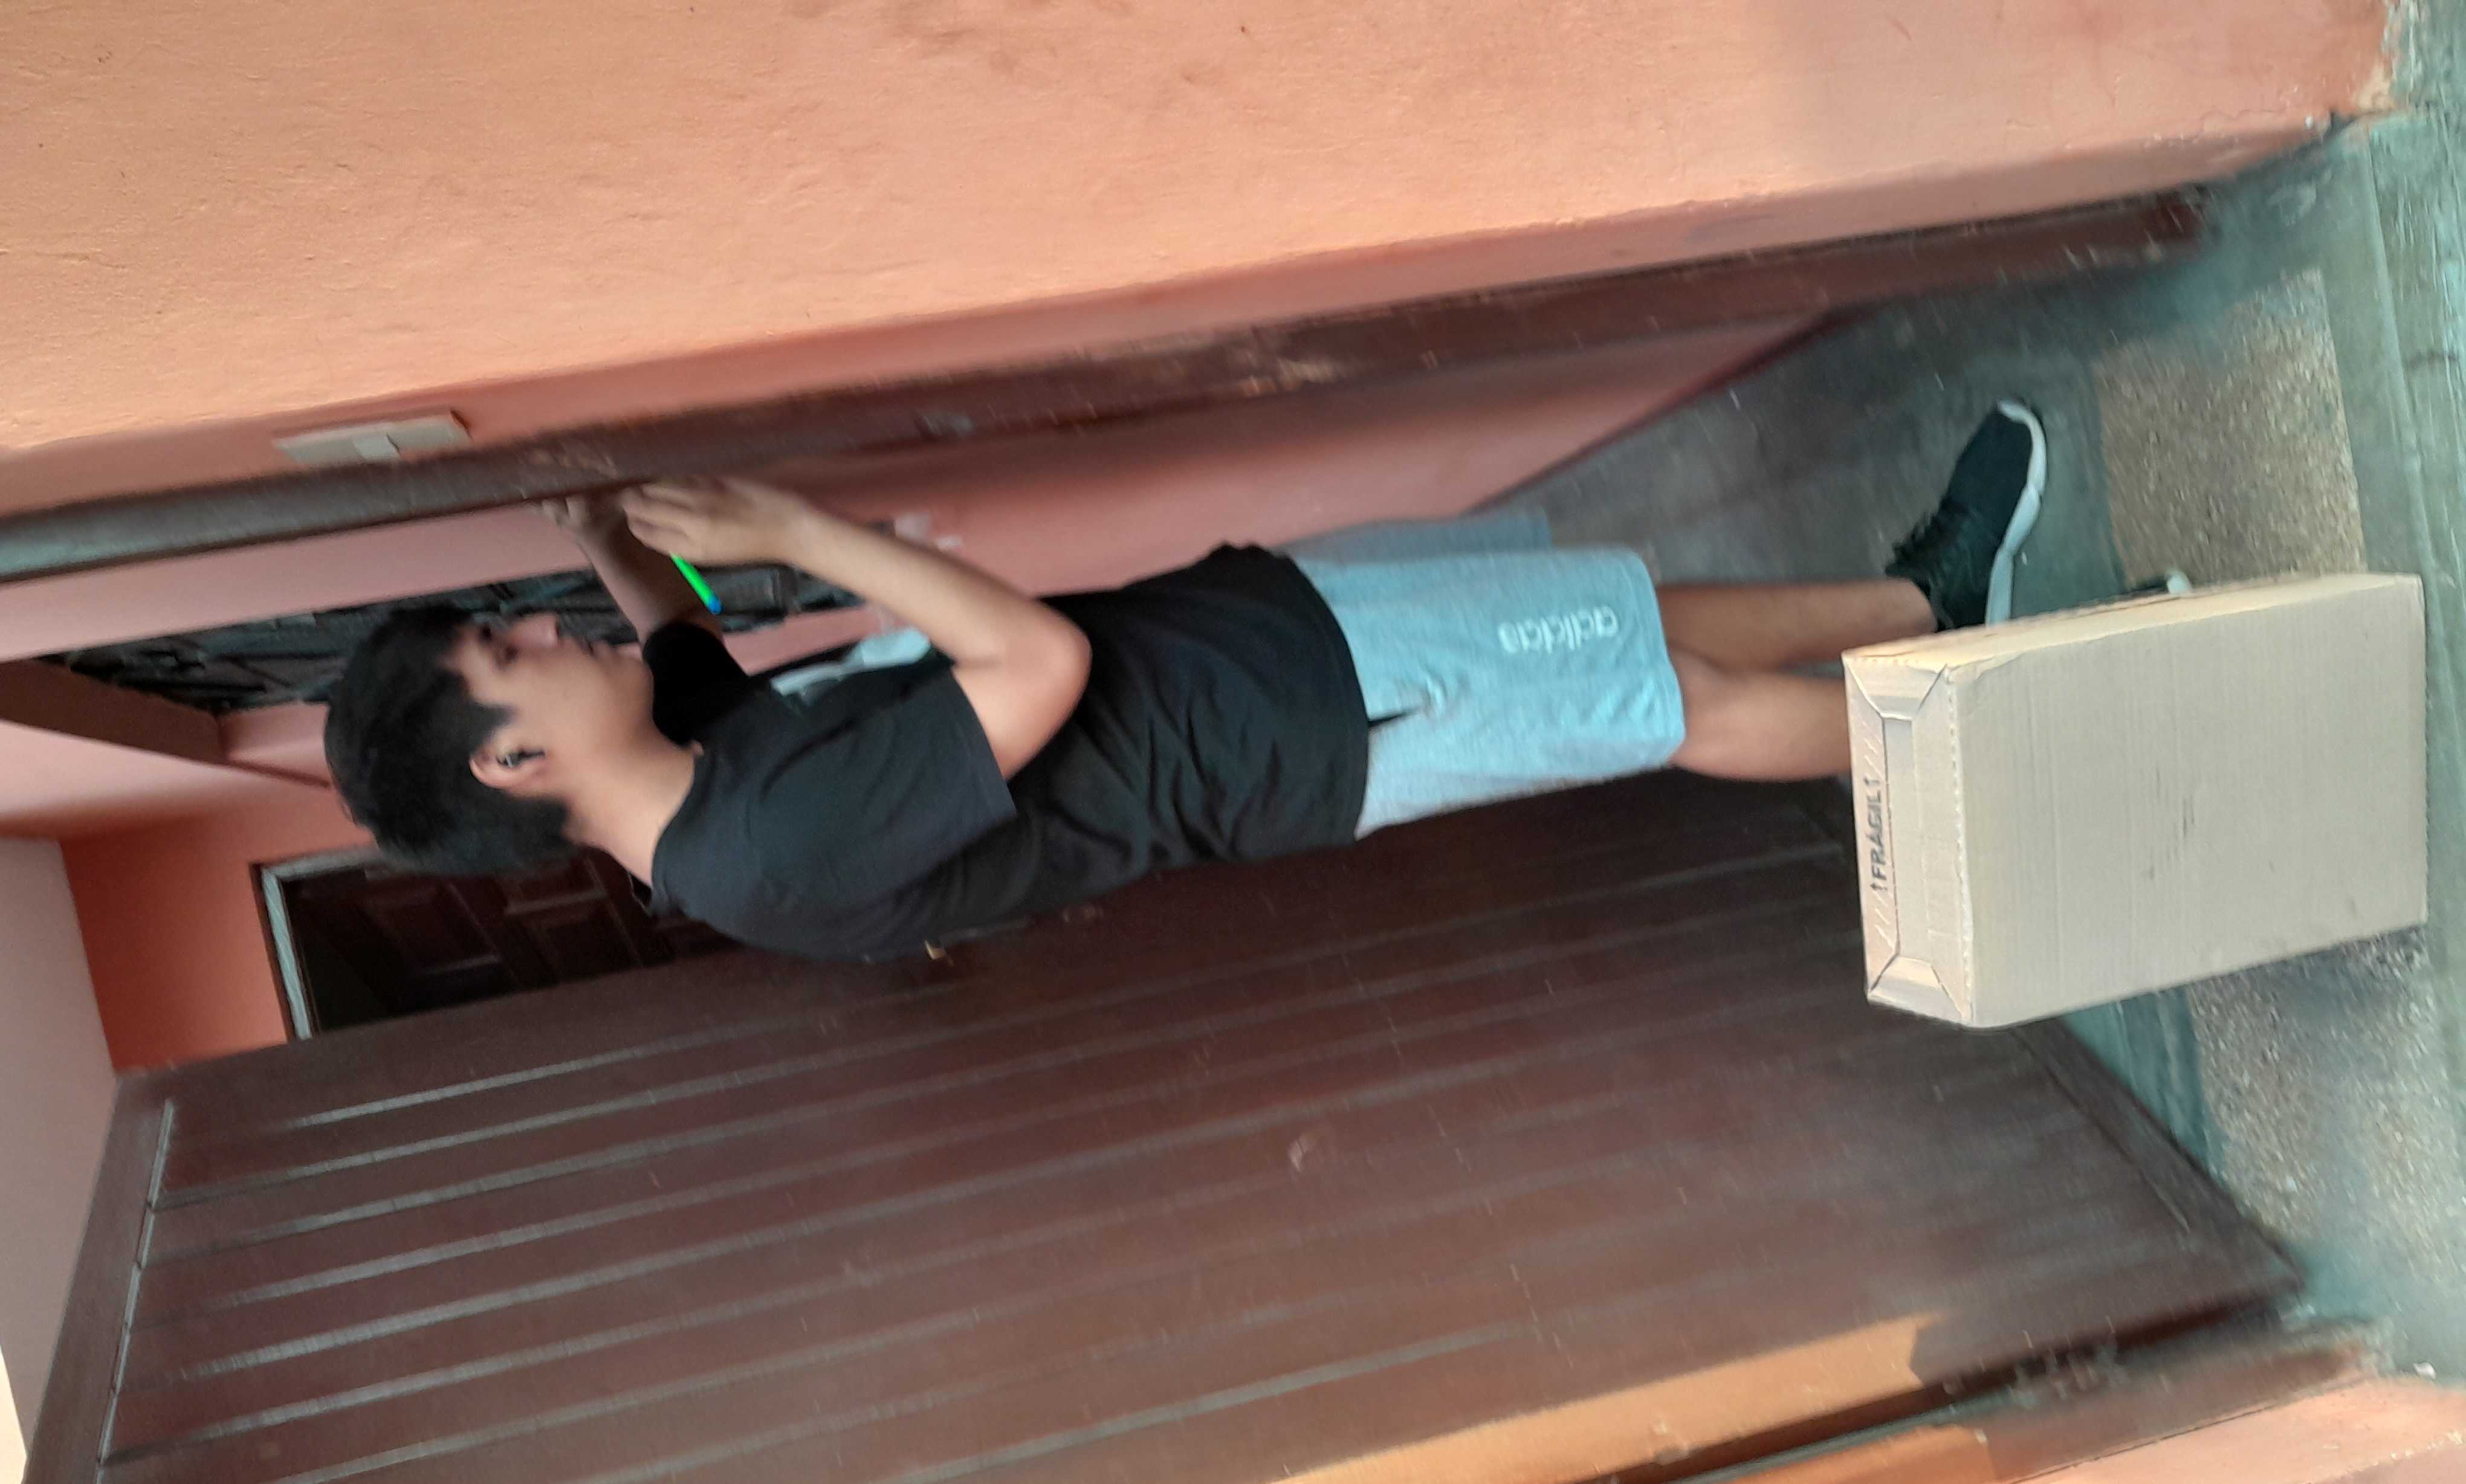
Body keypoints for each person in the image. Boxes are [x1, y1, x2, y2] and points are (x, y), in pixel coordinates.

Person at [323, 404, 2046, 963]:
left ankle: (1928, 595)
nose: (553, 633)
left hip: (1256, 640)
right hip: (1290, 723)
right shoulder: (768, 846)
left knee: (1618, 613)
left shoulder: (703, 768)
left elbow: (681, 635)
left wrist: (608, 541)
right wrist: (804, 530)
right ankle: (2012, 737)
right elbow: (1039, 662)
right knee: (1661, 697)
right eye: (516, 656)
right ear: (510, 764)